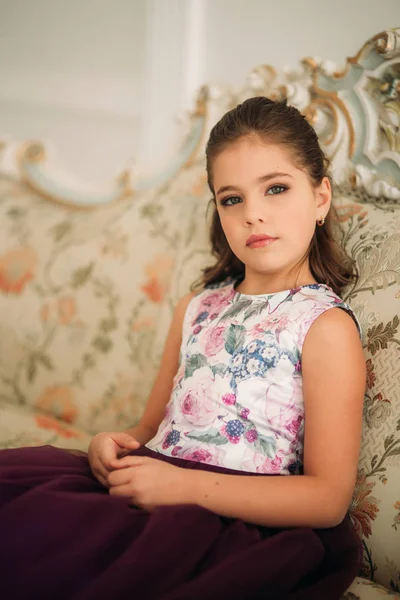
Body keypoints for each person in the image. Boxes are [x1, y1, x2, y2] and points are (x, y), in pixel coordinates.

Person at [0, 97, 366, 600]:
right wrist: (110, 445)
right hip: (153, 486)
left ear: (321, 197)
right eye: (231, 199)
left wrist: (184, 488)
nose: (254, 215)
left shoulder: (322, 325)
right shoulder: (197, 307)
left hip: (224, 523)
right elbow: (148, 430)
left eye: (276, 189)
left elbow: (327, 498)